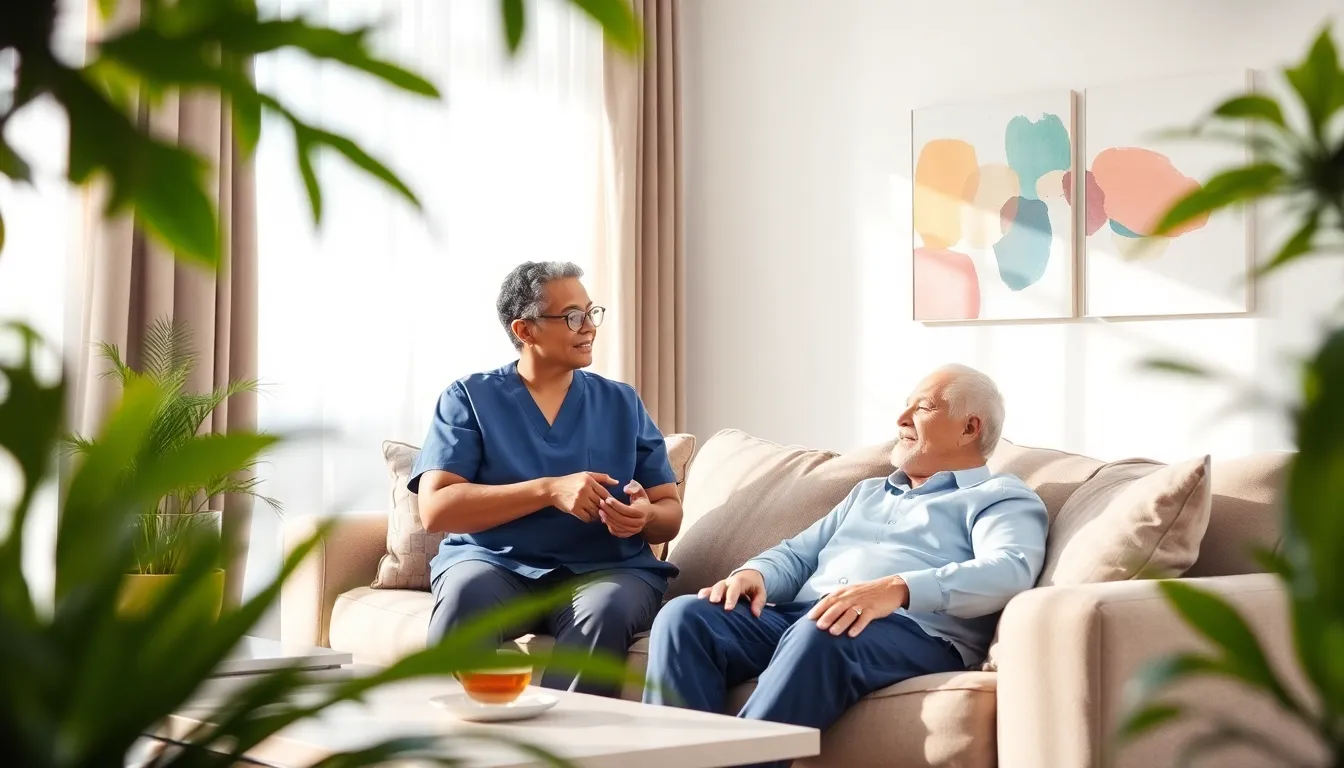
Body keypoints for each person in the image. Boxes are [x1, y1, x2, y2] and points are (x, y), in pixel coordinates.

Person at [642, 364, 1047, 765]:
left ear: (969, 428)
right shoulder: (869, 492)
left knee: (822, 630)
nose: (901, 419)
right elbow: (798, 555)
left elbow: (1008, 569)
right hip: (807, 616)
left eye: (922, 408)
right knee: (687, 616)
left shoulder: (998, 496)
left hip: (914, 633)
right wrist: (755, 573)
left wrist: (897, 589)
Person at [410, 260, 683, 697]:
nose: (589, 327)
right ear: (526, 330)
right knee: (464, 600)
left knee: (606, 611)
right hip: (495, 565)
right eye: (573, 316)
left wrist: (644, 516)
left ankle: (563, 752)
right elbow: (437, 507)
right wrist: (549, 490)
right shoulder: (468, 398)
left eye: (592, 313)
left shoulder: (621, 402)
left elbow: (669, 513)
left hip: (608, 571)